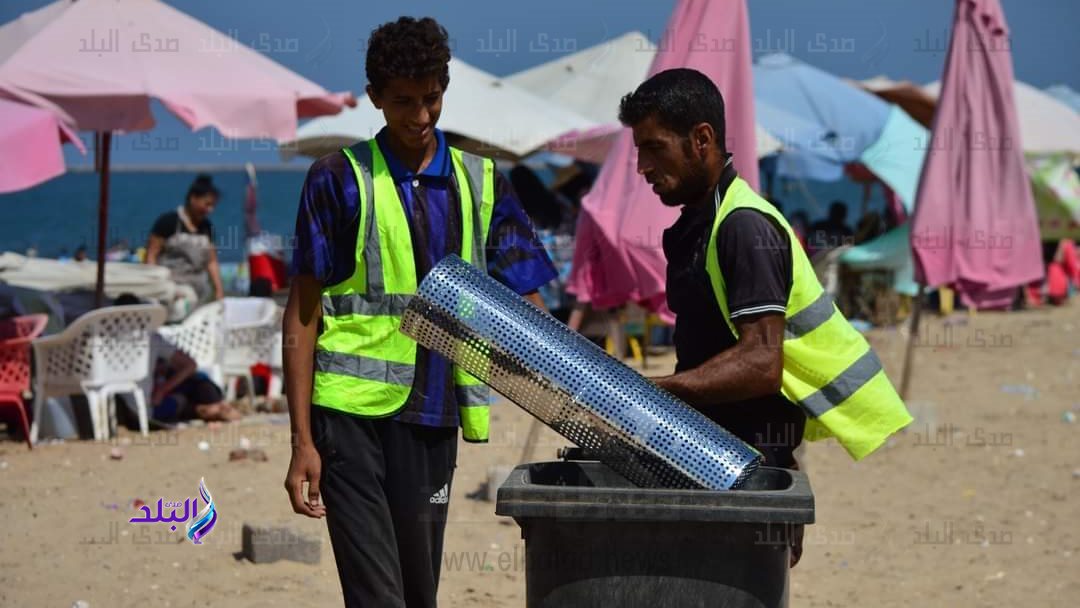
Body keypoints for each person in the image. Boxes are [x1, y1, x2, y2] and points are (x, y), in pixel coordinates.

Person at [282, 17, 556, 608]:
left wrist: (587, 394)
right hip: (345, 417)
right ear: (375, 97)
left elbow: (533, 309)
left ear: (444, 87)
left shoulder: (483, 181)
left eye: (431, 98)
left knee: (417, 595)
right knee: (376, 596)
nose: (420, 116)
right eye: (403, 102)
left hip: (434, 416)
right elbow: (301, 315)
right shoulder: (337, 179)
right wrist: (301, 440)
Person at [617, 69, 912, 566]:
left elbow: (761, 363)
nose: (642, 166)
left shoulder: (743, 227)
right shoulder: (698, 224)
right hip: (720, 452)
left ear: (702, 140)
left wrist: (660, 390)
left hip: (747, 465)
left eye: (654, 148)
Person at [145, 174, 225, 319]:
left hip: (199, 288)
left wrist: (219, 290)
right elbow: (151, 255)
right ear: (193, 198)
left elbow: (212, 261)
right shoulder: (167, 222)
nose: (210, 210)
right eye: (207, 204)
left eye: (212, 206)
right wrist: (154, 285)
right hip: (171, 288)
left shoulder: (207, 228)